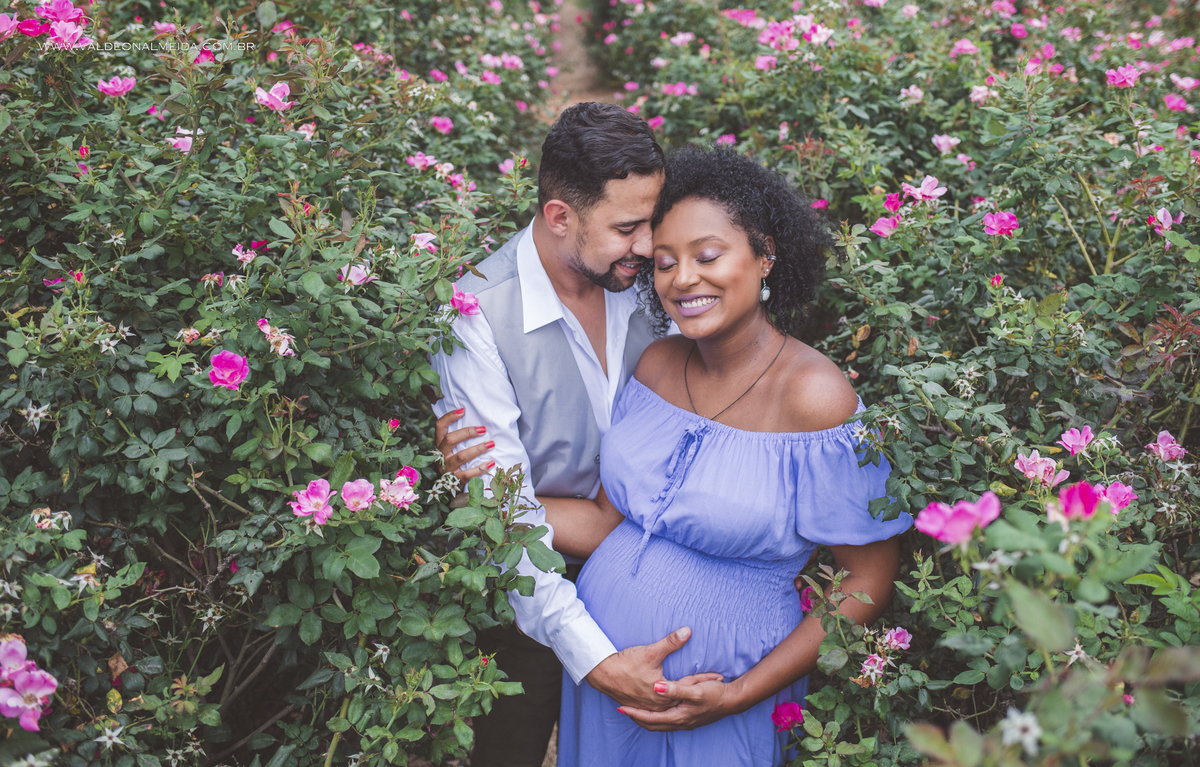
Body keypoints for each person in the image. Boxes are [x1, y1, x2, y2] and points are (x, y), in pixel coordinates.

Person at [531, 145, 916, 765]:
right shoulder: (657, 365)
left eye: (707, 256)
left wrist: (739, 694)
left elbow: (867, 579)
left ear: (764, 255)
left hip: (723, 689)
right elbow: (607, 521)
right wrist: (482, 492)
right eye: (664, 263)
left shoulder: (814, 399)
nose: (683, 279)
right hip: (606, 679)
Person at [429, 103, 717, 767]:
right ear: (560, 216)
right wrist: (600, 660)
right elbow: (508, 526)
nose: (650, 245)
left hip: (662, 579)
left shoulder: (651, 279)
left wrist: (584, 516)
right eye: (627, 227)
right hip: (534, 592)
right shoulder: (478, 315)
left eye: (654, 218)